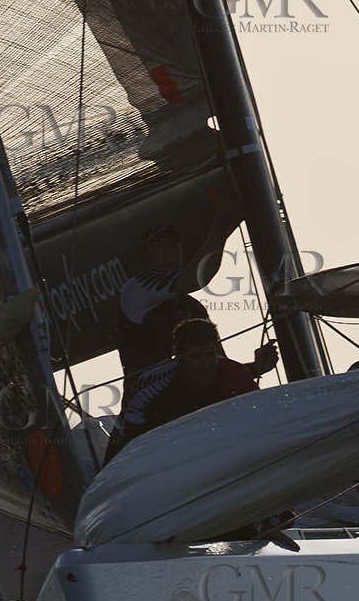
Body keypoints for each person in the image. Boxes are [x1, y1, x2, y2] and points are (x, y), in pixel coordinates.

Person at [114, 190, 278, 399]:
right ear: (145, 256)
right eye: (159, 246)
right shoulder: (137, 288)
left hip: (191, 402)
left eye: (174, 246)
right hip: (151, 403)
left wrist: (255, 368)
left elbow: (216, 368)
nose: (168, 252)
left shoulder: (193, 308)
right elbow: (198, 277)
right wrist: (223, 219)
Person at [105, 319, 259, 462]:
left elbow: (259, 413)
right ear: (178, 357)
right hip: (159, 458)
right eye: (196, 357)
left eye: (210, 355)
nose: (205, 365)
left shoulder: (234, 373)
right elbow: (126, 445)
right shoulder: (151, 388)